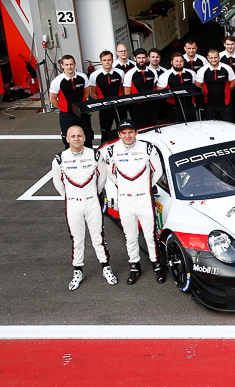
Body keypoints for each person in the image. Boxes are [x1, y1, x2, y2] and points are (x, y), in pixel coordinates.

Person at [52, 125, 117, 290]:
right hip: (73, 203)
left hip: (92, 201)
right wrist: (70, 197)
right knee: (77, 239)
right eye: (72, 136)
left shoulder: (95, 155)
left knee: (98, 237)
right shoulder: (59, 159)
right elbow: (58, 184)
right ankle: (78, 271)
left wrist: (93, 193)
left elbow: (101, 179)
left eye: (79, 136)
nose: (76, 139)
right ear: (67, 139)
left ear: (84, 137)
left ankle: (106, 267)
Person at [105, 119, 165, 284]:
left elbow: (157, 171)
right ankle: (134, 266)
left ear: (136, 133)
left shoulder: (147, 148)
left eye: (130, 132)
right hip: (125, 199)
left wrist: (145, 186)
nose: (127, 135)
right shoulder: (112, 151)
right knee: (130, 235)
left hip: (144, 198)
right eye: (123, 133)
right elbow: (111, 175)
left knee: (150, 234)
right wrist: (126, 187)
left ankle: (156, 264)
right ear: (119, 134)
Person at [49, 54, 94, 149]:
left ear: (75, 64)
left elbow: (86, 92)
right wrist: (64, 108)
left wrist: (81, 105)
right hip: (67, 115)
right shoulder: (57, 81)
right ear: (62, 65)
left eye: (71, 64)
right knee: (68, 139)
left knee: (87, 137)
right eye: (66, 65)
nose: (69, 67)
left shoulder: (83, 77)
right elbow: (53, 99)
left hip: (82, 112)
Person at [87, 50, 125, 143]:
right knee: (105, 131)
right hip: (105, 108)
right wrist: (103, 103)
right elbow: (92, 93)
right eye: (104, 60)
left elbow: (124, 90)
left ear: (112, 60)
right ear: (101, 61)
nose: (107, 62)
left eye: (109, 59)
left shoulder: (120, 72)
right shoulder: (94, 75)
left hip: (119, 107)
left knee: (122, 130)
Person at [195, 48, 235, 121]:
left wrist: (225, 92)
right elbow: (198, 85)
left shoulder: (227, 68)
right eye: (211, 58)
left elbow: (233, 82)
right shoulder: (202, 70)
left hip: (225, 104)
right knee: (210, 127)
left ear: (219, 57)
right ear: (207, 58)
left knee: (228, 126)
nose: (213, 59)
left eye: (215, 57)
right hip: (209, 105)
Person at [156, 52, 198, 122]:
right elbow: (159, 91)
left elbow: (196, 87)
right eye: (176, 61)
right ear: (171, 62)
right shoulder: (165, 75)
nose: (179, 63)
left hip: (190, 108)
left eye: (181, 61)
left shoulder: (191, 73)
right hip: (174, 109)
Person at [123, 48, 158, 128]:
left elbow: (154, 87)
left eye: (143, 58)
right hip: (137, 107)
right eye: (139, 58)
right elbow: (127, 93)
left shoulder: (153, 71)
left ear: (147, 58)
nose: (141, 60)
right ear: (135, 58)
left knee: (154, 127)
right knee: (140, 129)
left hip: (152, 105)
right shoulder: (129, 74)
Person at [219, 35, 235, 124]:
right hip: (224, 87)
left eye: (232, 44)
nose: (230, 46)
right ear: (224, 45)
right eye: (228, 44)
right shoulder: (219, 56)